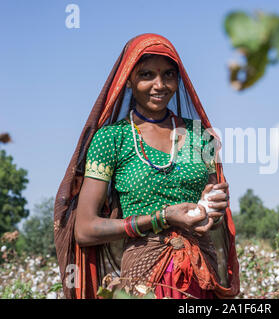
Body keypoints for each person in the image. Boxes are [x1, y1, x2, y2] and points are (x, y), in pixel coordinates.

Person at [54, 34, 240, 299]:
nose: (159, 85)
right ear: (128, 80)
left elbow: (211, 202)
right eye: (147, 74)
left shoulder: (201, 135)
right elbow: (84, 229)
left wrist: (212, 208)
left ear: (179, 79)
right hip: (144, 279)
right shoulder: (111, 139)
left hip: (200, 274)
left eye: (168, 74)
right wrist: (161, 218)